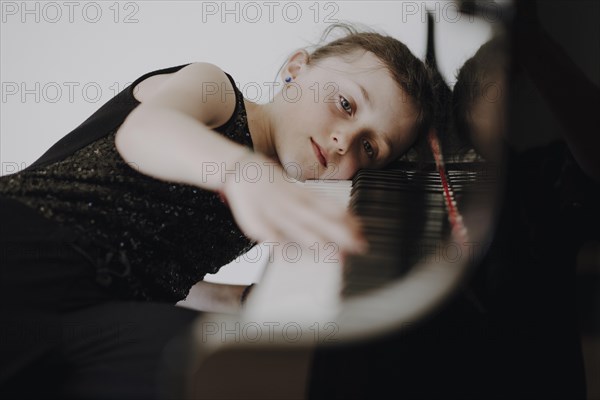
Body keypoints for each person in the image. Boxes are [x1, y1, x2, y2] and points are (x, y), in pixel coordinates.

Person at [0, 24, 434, 399]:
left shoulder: (265, 188)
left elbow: (150, 263)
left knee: (233, 368)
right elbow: (147, 131)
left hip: (93, 308)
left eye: (369, 146)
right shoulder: (218, 94)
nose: (344, 142)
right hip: (26, 247)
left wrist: (242, 299)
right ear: (298, 68)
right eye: (345, 105)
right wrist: (242, 173)